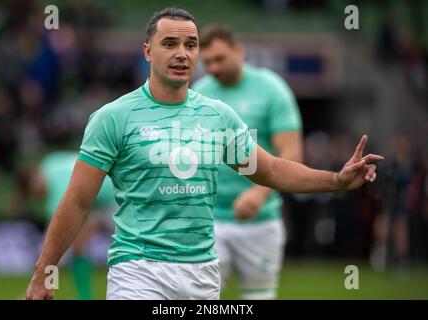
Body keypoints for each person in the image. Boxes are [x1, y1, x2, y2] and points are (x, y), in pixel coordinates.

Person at [26, 7, 383, 300]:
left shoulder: (217, 117)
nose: (182, 53)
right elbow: (76, 201)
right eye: (169, 43)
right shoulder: (113, 118)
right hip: (138, 272)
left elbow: (270, 170)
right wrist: (44, 272)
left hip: (201, 274)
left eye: (190, 44)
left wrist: (335, 179)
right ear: (148, 51)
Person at [192, 25, 303, 299]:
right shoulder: (199, 92)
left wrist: (258, 192)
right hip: (210, 220)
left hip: (261, 221)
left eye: (220, 59)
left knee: (259, 297)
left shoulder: (271, 89)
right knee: (199, 298)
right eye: (207, 62)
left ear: (239, 51)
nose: (214, 68)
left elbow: (291, 153)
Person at [21, 151, 115, 299]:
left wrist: (45, 281)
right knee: (78, 246)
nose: (38, 196)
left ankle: (48, 291)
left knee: (56, 248)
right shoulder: (50, 161)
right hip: (98, 194)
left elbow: (54, 246)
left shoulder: (58, 193)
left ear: (34, 182)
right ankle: (84, 296)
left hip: (114, 196)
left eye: (35, 192)